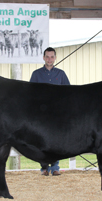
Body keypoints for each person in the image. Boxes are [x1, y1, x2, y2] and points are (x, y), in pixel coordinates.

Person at [30, 47, 70, 176]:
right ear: (43, 57)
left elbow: (69, 93)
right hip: (41, 114)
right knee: (41, 140)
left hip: (57, 114)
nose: (49, 59)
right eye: (47, 56)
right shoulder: (36, 74)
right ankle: (44, 168)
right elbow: (30, 95)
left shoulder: (61, 74)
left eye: (52, 57)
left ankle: (55, 168)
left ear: (55, 58)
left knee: (56, 140)